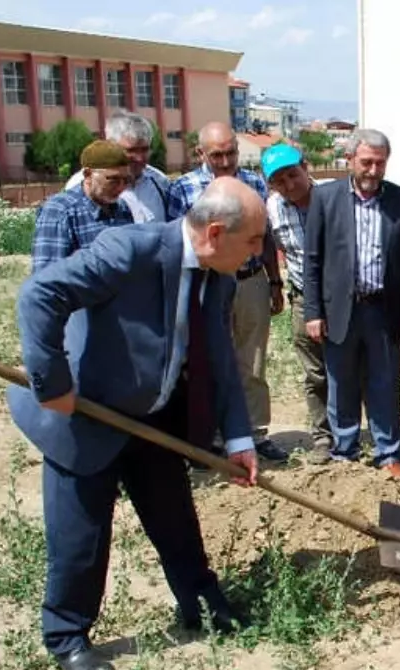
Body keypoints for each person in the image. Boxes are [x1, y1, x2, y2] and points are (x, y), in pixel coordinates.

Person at [8, 177, 264, 670]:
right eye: (253, 240)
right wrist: (52, 382)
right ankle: (67, 635)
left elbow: (220, 359)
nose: (260, 251)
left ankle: (202, 605)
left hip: (151, 418)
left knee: (176, 521)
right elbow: (40, 294)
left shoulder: (221, 278)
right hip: (82, 415)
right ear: (215, 232)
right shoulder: (130, 250)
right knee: (80, 537)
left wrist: (237, 438)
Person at [303, 129, 400, 482]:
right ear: (350, 160)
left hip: (383, 309)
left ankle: (388, 453)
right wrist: (313, 312)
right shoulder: (324, 198)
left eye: (379, 163)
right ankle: (346, 451)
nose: (372, 170)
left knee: (385, 383)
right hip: (341, 309)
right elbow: (313, 260)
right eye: (366, 162)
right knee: (342, 383)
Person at [168, 121, 288, 462]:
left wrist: (274, 281)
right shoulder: (184, 189)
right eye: (217, 155)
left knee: (251, 359)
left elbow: (263, 239)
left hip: (249, 281)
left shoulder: (252, 183)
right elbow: (180, 243)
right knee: (206, 360)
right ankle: (213, 436)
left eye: (231, 152)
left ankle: (254, 432)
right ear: (200, 153)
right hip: (207, 285)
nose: (225, 161)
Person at [262, 143, 333, 464]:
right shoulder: (272, 208)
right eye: (280, 180)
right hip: (304, 297)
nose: (289, 185)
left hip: (340, 297)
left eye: (293, 175)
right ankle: (323, 437)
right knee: (314, 372)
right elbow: (271, 248)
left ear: (306, 168)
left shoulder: (333, 198)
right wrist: (276, 284)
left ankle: (352, 432)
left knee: (348, 368)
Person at [32, 140, 135, 273]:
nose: (121, 187)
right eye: (113, 180)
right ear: (88, 175)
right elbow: (47, 278)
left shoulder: (122, 208)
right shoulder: (60, 211)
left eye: (126, 180)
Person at [64, 111, 170, 223]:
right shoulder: (84, 184)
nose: (139, 158)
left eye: (144, 150)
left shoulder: (160, 182)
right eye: (131, 150)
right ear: (110, 144)